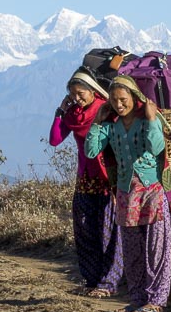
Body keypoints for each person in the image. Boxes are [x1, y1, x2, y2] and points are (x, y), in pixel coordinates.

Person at [84, 75, 171, 312]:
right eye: (114, 100)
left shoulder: (146, 122)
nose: (119, 105)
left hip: (151, 191)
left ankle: (156, 300)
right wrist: (98, 123)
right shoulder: (110, 126)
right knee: (132, 251)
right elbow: (91, 151)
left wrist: (153, 119)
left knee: (155, 249)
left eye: (123, 100)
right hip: (125, 193)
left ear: (134, 97)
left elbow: (156, 148)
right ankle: (137, 299)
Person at [49, 69, 123, 298]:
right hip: (85, 179)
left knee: (108, 232)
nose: (77, 99)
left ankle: (108, 282)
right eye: (73, 95)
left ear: (93, 91)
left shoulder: (105, 110)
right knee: (84, 229)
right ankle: (91, 279)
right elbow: (54, 140)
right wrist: (60, 111)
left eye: (81, 94)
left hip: (107, 177)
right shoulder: (73, 114)